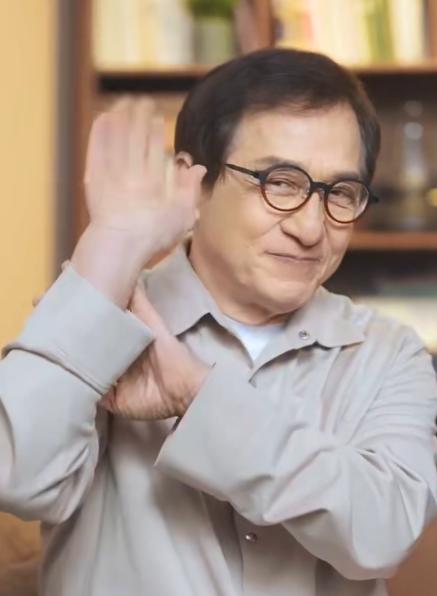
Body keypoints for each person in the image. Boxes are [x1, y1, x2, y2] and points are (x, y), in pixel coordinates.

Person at [0, 48, 436, 596]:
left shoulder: (389, 353)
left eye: (340, 193)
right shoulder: (99, 312)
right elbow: (17, 477)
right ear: (194, 184)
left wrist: (197, 396)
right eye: (280, 182)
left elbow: (384, 532)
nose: (310, 228)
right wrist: (110, 247)